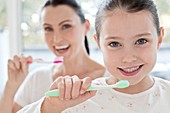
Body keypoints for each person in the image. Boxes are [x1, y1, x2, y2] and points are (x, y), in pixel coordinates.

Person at [17, 0, 170, 113]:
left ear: (159, 38)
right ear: (98, 43)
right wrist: (50, 107)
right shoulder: (79, 100)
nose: (128, 58)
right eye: (114, 44)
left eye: (141, 41)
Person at [10, 0, 106, 112]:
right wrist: (11, 85)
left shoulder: (112, 79)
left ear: (86, 27)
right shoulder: (37, 78)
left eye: (66, 26)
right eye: (48, 29)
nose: (56, 39)